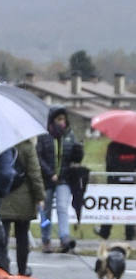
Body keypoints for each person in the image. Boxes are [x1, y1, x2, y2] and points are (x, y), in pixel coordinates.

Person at [37, 106, 83, 254]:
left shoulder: (69, 135)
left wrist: (79, 151)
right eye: (59, 119)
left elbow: (75, 158)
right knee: (45, 211)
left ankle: (65, 238)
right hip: (47, 180)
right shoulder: (44, 136)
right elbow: (39, 157)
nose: (62, 122)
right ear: (52, 120)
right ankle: (46, 239)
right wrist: (50, 173)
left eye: (63, 119)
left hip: (64, 179)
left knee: (63, 208)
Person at [0, 137, 46, 277]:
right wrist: (40, 196)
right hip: (24, 198)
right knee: (22, 237)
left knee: (2, 237)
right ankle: (22, 269)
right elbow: (34, 173)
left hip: (4, 195)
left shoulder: (2, 143)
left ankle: (2, 268)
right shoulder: (27, 146)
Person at [96, 135, 136, 245]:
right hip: (130, 181)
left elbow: (109, 165)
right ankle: (130, 233)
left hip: (115, 182)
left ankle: (105, 232)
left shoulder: (113, 146)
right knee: (128, 208)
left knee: (112, 207)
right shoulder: (133, 146)